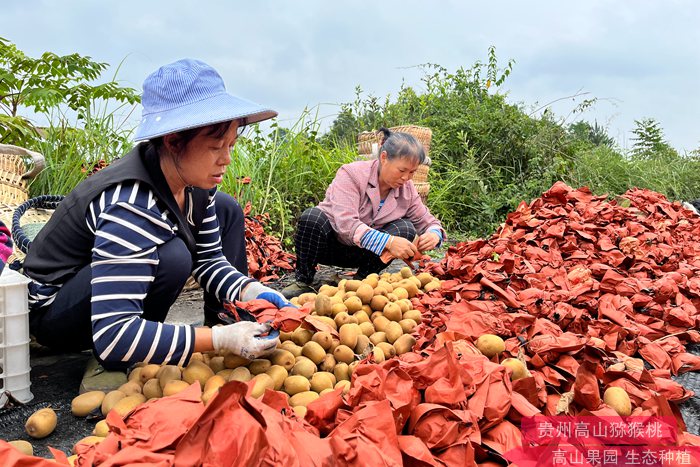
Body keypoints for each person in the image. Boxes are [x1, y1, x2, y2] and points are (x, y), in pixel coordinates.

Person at [22, 58, 293, 392]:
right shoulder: (130, 203)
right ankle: (111, 360)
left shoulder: (195, 187)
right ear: (173, 141)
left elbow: (209, 260)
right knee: (174, 256)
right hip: (59, 313)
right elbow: (113, 333)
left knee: (223, 210)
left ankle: (147, 337)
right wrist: (220, 339)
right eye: (214, 147)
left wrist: (252, 291)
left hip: (99, 299)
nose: (226, 159)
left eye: (230, 146)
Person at [282, 128, 445, 298]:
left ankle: (364, 280)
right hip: (330, 246)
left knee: (405, 228)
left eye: (412, 172)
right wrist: (388, 242)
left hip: (365, 254)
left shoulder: (407, 189)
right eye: (402, 170)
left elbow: (426, 220)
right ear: (384, 158)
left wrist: (434, 234)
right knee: (312, 218)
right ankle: (304, 278)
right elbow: (346, 225)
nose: (406, 178)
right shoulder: (351, 174)